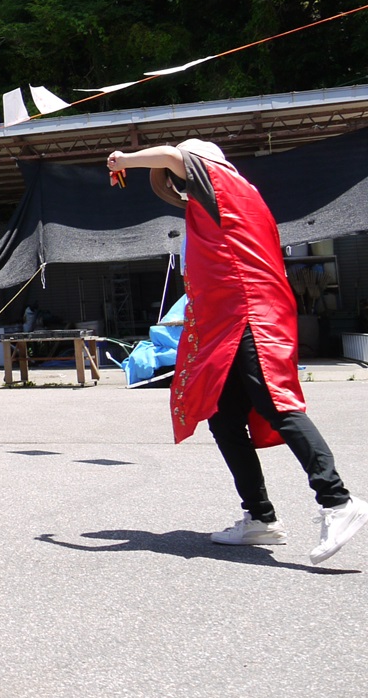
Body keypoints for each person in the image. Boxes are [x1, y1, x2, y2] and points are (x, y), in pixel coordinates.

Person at [106, 139, 368, 564]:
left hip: (249, 315)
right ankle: (260, 518)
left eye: (181, 179)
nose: (179, 185)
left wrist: (126, 161)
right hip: (228, 322)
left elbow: (173, 156)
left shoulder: (221, 182)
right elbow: (175, 183)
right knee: (224, 417)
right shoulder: (223, 199)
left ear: (201, 166)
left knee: (278, 405)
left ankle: (338, 501)